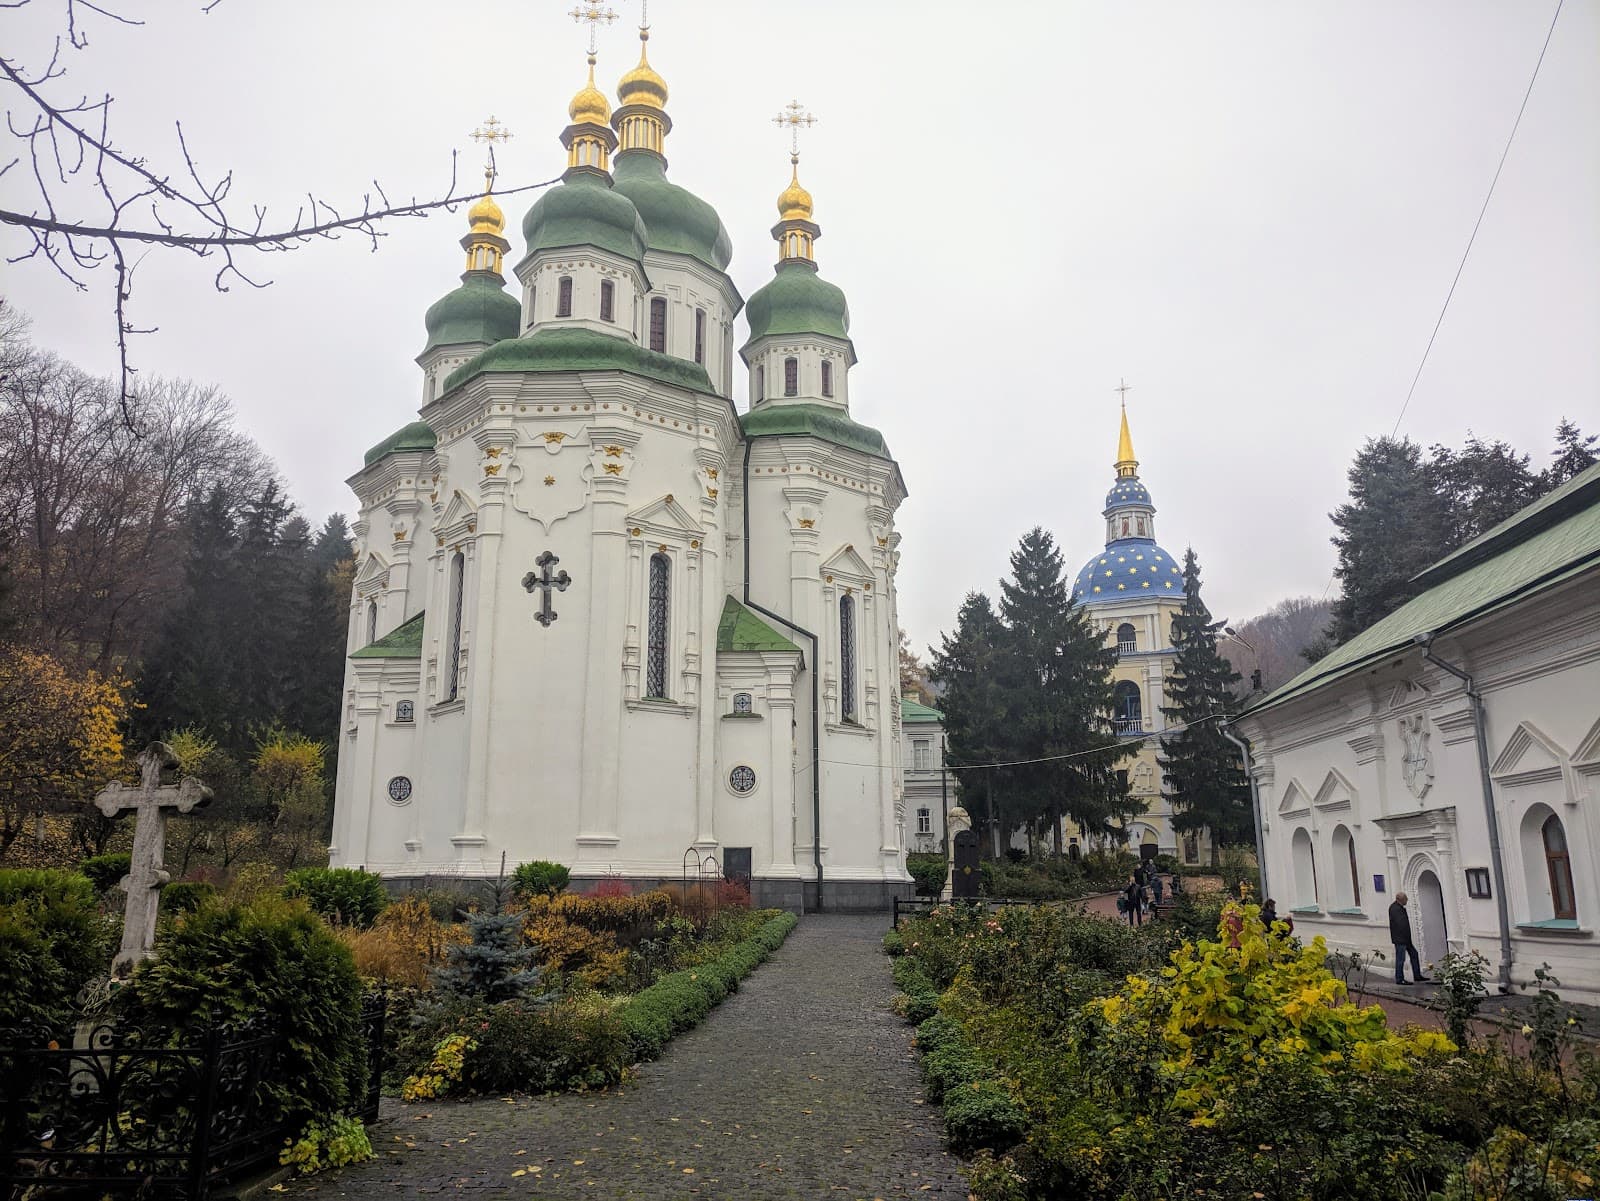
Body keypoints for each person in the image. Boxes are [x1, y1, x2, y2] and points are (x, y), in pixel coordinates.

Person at [1389, 892, 1428, 985]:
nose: (1407, 900)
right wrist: (1406, 938)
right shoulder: (1396, 909)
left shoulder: (1396, 907)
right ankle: (1399, 978)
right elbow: (1401, 925)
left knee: (1414, 954)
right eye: (1405, 899)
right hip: (1401, 939)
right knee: (1400, 959)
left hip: (1404, 938)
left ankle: (1417, 975)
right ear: (1400, 900)